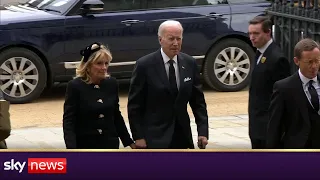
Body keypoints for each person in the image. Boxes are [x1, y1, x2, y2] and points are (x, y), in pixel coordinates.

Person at [127, 20, 209, 149]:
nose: (175, 43)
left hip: (182, 136)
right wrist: (138, 136)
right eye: (171, 39)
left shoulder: (189, 63)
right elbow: (135, 106)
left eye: (179, 39)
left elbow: (198, 102)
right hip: (154, 137)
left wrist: (202, 132)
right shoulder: (144, 65)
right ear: (160, 40)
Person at [63, 42, 136, 149]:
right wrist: (72, 149)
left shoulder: (112, 83)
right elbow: (69, 121)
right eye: (99, 63)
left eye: (106, 63)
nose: (104, 67)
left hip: (109, 143)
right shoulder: (75, 86)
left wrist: (128, 141)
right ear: (87, 66)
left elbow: (115, 115)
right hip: (85, 145)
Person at [267, 38, 320, 149]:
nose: (314, 66)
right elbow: (275, 127)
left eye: (317, 61)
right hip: (298, 151)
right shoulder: (284, 88)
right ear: (297, 61)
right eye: (309, 62)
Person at [248, 16, 291, 149]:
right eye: (250, 33)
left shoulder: (277, 59)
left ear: (268, 32)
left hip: (268, 129)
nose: (252, 37)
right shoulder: (259, 52)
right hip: (257, 126)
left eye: (256, 33)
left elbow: (282, 98)